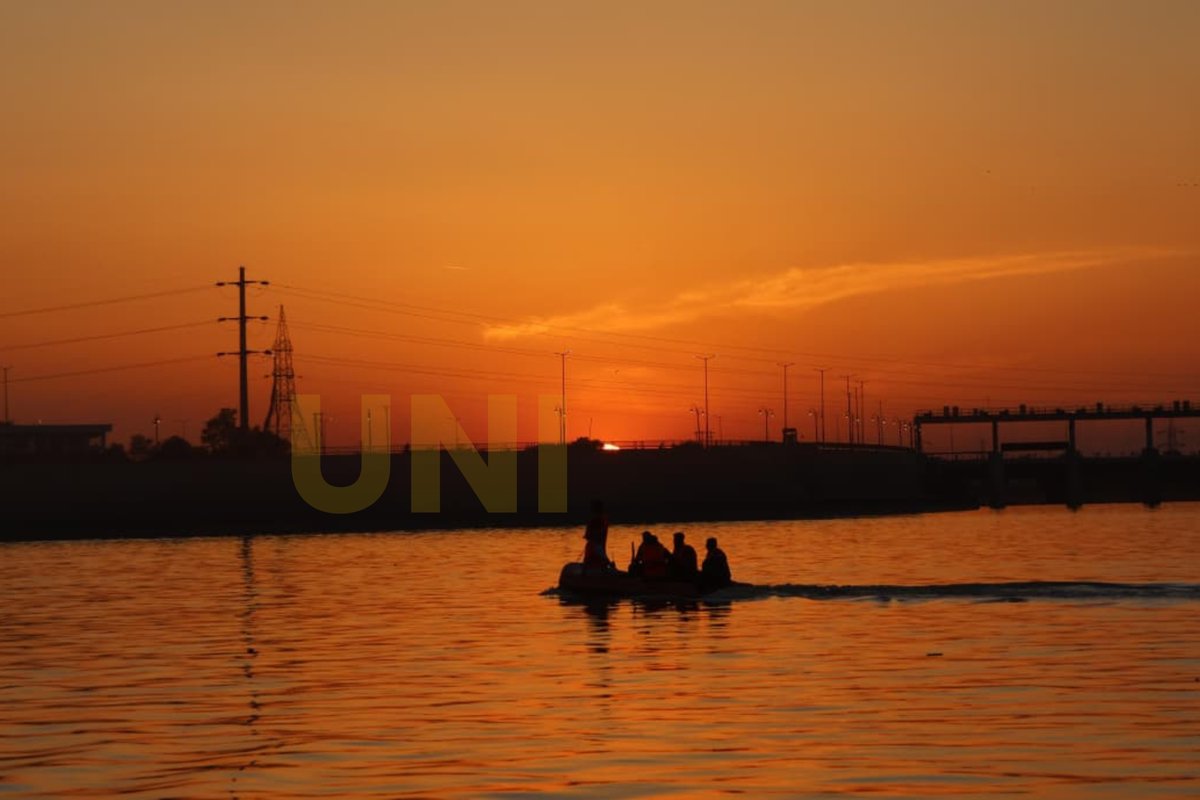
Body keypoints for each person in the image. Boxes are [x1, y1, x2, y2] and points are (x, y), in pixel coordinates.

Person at [582, 499, 610, 570]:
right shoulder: (602, 519)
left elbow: (588, 535)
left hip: (596, 547)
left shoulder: (598, 520)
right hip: (596, 547)